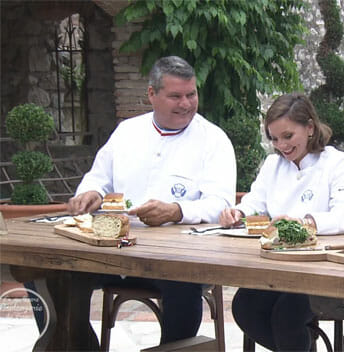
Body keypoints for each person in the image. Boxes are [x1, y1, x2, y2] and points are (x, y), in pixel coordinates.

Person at [67, 55, 236, 344]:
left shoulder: (213, 140)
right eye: (175, 96)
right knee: (51, 275)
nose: (186, 104)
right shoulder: (127, 132)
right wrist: (90, 193)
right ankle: (75, 344)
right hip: (113, 249)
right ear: (151, 95)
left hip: (175, 258)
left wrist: (175, 211)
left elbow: (220, 203)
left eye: (191, 94)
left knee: (183, 283)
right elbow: (98, 177)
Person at [219, 92, 344, 351]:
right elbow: (256, 201)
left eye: (288, 136)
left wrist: (303, 222)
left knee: (286, 317)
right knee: (243, 307)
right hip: (277, 269)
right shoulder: (273, 164)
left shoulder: (338, 163)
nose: (281, 145)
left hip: (323, 270)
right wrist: (238, 213)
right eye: (274, 139)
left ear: (310, 127)